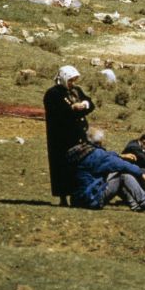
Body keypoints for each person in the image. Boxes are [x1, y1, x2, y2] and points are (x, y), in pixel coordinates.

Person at [68, 128, 145, 214]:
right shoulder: (99, 155)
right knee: (123, 176)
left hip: (76, 199)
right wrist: (141, 174)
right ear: (99, 142)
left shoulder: (78, 151)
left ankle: (135, 205)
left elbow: (106, 155)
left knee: (116, 178)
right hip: (91, 199)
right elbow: (122, 165)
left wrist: (119, 155)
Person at [43, 65, 95, 206]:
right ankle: (63, 198)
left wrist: (84, 104)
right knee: (61, 166)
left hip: (78, 135)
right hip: (61, 137)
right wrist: (72, 108)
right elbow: (57, 113)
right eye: (70, 80)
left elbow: (90, 103)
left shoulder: (76, 91)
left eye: (74, 80)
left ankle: (77, 196)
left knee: (78, 166)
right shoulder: (53, 94)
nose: (72, 83)